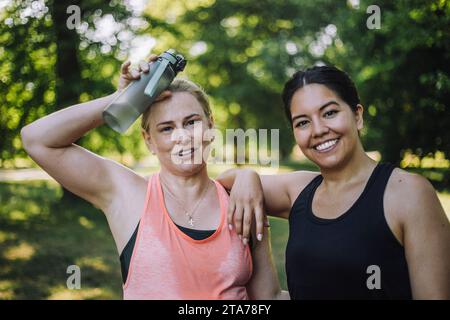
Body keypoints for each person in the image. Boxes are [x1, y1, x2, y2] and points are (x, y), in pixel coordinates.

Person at [21, 54, 286, 300]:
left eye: (191, 122)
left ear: (210, 126)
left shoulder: (242, 201)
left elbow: (268, 299)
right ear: (149, 140)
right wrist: (120, 98)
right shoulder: (128, 195)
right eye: (167, 128)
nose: (182, 136)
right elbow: (37, 140)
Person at [217, 65, 450, 299]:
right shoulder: (298, 191)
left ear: (357, 116)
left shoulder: (409, 193)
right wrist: (248, 175)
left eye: (329, 113)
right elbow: (219, 185)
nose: (318, 130)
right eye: (302, 123)